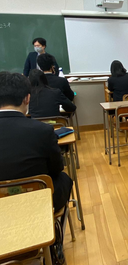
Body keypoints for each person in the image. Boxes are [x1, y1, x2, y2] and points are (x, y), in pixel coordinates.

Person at [0, 71, 72, 212]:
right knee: (64, 178)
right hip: (38, 200)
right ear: (27, 99)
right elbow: (56, 168)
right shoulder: (42, 130)